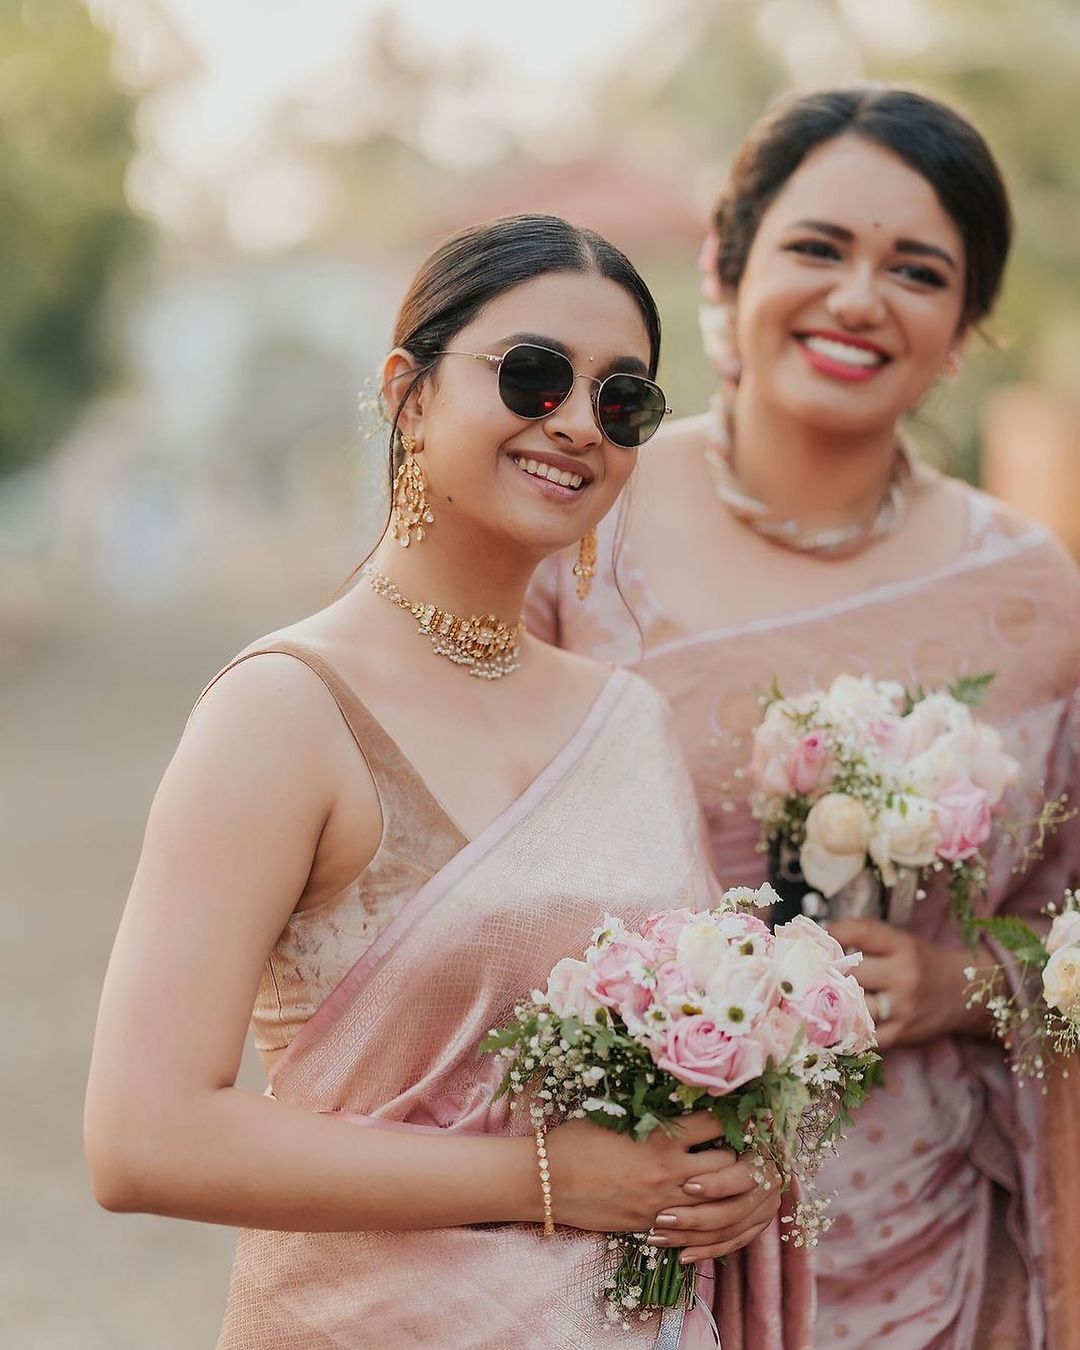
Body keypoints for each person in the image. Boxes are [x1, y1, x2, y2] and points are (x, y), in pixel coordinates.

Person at [84, 214, 808, 1349]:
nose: (576, 422)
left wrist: (734, 1171)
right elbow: (142, 1136)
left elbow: (671, 1074)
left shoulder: (627, 722)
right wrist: (541, 1180)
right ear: (409, 394)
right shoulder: (285, 712)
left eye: (623, 401)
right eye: (532, 376)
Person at [526, 90, 1080, 1348]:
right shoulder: (578, 528)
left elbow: (1067, 913)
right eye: (818, 248)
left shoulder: (1031, 591)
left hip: (937, 1246)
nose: (859, 298)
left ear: (966, 326)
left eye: (918, 270)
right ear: (725, 270)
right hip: (634, 1224)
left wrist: (963, 984)